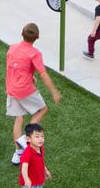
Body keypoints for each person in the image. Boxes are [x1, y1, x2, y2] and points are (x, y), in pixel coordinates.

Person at [6, 23, 62, 160]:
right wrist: (54, 92)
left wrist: (29, 75)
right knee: (42, 109)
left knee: (18, 118)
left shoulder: (12, 47)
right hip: (25, 89)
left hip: (11, 88)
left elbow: (13, 66)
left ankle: (18, 153)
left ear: (22, 34)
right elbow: (43, 74)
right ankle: (25, 138)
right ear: (37, 38)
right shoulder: (35, 53)